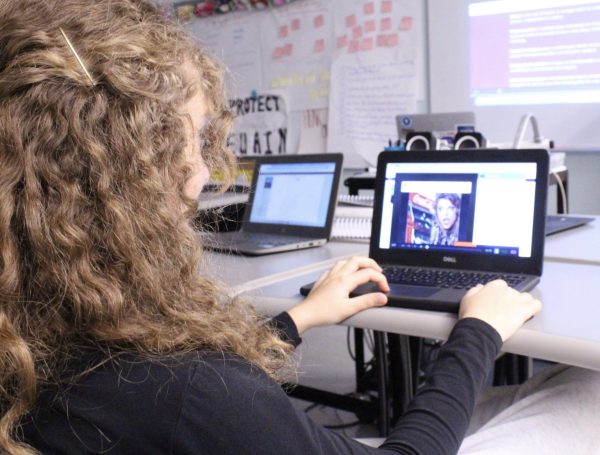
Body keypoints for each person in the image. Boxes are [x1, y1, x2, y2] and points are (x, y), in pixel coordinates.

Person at [0, 2, 598, 454]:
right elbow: (212, 403)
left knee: (513, 399)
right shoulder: (190, 394)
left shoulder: (33, 346)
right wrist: (477, 332)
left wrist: (298, 319)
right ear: (134, 168)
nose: (206, 175)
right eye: (196, 137)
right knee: (587, 396)